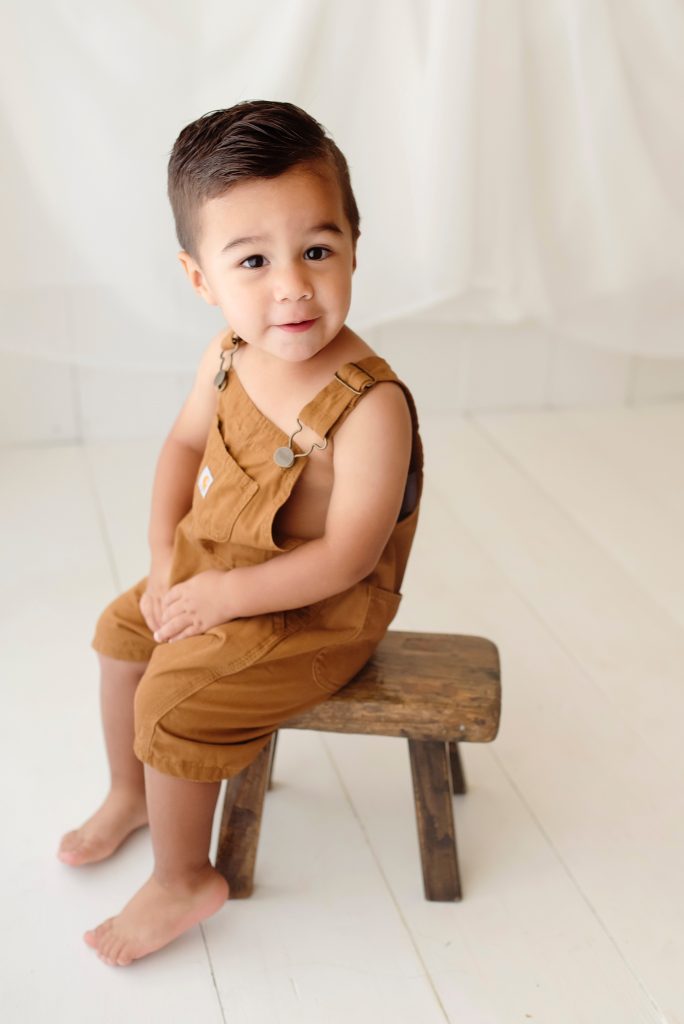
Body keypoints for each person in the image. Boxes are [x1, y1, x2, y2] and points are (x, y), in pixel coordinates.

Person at [57, 99, 424, 966]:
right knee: (123, 634)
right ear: (201, 278)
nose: (291, 284)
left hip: (317, 609)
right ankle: (132, 792)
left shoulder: (371, 406)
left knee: (172, 699)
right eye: (253, 260)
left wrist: (225, 596)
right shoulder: (226, 355)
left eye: (317, 251)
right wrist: (164, 561)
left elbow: (349, 556)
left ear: (354, 247)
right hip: (222, 564)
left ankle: (185, 876)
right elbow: (183, 447)